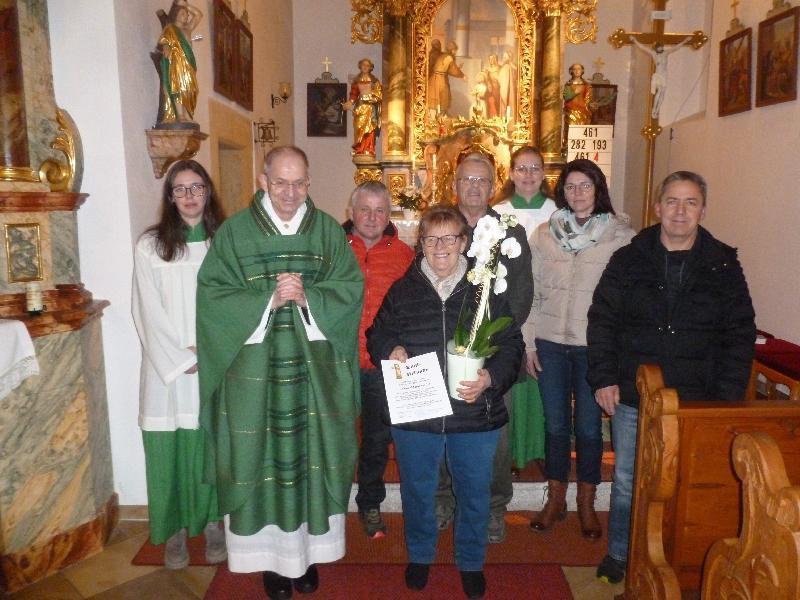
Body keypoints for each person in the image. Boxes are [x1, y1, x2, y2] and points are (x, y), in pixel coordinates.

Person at [196, 146, 364, 599]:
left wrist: (311, 298)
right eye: (281, 182)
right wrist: (264, 302)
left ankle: (308, 558)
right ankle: (271, 563)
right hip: (255, 377)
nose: (290, 192)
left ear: (309, 183)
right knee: (261, 461)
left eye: (299, 183)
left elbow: (350, 287)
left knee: (312, 460)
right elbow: (211, 295)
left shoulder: (327, 231)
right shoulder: (235, 234)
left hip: (314, 378)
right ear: (263, 180)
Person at [587, 171, 756, 584]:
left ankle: (680, 559)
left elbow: (740, 332)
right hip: (636, 393)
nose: (681, 211)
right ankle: (622, 555)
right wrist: (604, 377)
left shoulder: (723, 263)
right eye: (673, 201)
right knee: (629, 480)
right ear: (657, 207)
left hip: (699, 398)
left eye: (691, 202)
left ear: (702, 209)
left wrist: (728, 397)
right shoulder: (628, 259)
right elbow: (603, 320)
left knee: (688, 481)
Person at [367, 206, 524, 599]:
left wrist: (490, 377)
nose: (440, 247)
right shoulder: (404, 290)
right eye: (431, 239)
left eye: (449, 238)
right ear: (420, 244)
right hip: (417, 412)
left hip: (474, 413)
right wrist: (392, 347)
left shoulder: (484, 290)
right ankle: (420, 555)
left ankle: (470, 561)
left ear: (464, 243)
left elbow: (512, 345)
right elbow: (376, 333)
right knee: (418, 490)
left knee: (473, 492)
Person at [525, 159, 634, 540]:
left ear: (598, 188)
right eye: (570, 187)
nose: (577, 193)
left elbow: (625, 299)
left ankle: (587, 502)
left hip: (594, 348)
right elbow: (532, 291)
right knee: (555, 426)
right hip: (551, 343)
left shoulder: (620, 235)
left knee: (588, 429)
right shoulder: (543, 234)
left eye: (585, 186)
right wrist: (528, 342)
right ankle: (555, 499)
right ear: (562, 192)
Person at [131, 159, 225, 569]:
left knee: (208, 448)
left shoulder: (224, 242)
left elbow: (234, 305)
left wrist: (208, 351)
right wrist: (178, 358)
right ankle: (172, 533)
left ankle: (212, 524)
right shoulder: (150, 246)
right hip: (165, 372)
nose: (189, 196)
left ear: (208, 192)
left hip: (212, 363)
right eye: (181, 189)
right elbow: (144, 309)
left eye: (197, 187)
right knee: (167, 452)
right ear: (170, 197)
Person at [435, 153, 533, 545]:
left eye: (482, 181)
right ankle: (444, 499)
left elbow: (523, 294)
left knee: (495, 434)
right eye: (466, 180)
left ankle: (494, 506)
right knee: (444, 427)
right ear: (454, 185)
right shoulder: (441, 226)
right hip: (446, 351)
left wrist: (488, 344)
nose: (474, 187)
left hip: (495, 352)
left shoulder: (511, 232)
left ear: (492, 186)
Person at [345, 181, 415, 539]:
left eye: (380, 210)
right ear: (351, 212)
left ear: (390, 215)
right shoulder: (333, 250)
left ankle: (369, 503)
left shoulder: (405, 255)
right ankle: (329, 503)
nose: (371, 218)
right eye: (364, 209)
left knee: (375, 440)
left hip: (381, 366)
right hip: (338, 363)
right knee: (337, 439)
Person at [492, 146, 557, 472]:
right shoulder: (499, 211)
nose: (528, 175)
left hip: (547, 304)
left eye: (534, 168)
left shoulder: (557, 211)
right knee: (515, 375)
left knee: (544, 376)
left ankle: (541, 448)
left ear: (544, 173)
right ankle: (514, 452)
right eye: (521, 168)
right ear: (512, 173)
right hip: (512, 301)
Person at [155, 0, 202, 126]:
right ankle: (180, 115)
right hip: (176, 63)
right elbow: (165, 42)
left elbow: (199, 15)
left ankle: (187, 115)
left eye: (187, 14)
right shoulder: (170, 28)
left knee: (190, 89)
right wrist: (166, 47)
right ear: (175, 14)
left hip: (188, 64)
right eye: (183, 13)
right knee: (178, 87)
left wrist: (186, 6)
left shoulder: (188, 29)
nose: (186, 16)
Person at [631, 37, 691, 120]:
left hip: (664, 75)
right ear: (656, 48)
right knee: (659, 92)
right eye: (660, 47)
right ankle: (654, 109)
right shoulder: (653, 54)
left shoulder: (666, 53)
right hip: (658, 75)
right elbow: (643, 47)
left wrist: (685, 41)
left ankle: (657, 110)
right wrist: (635, 40)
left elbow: (676, 47)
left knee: (663, 94)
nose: (661, 48)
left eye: (662, 47)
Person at [343, 58, 382, 156]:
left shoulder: (374, 81)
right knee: (359, 127)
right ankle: (360, 149)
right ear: (360, 67)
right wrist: (350, 103)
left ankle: (369, 149)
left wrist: (373, 98)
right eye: (363, 65)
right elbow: (353, 95)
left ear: (370, 68)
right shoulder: (356, 81)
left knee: (370, 128)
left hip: (370, 108)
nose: (365, 67)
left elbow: (379, 94)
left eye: (367, 65)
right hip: (360, 108)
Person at [427, 40, 466, 116]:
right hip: (440, 79)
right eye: (455, 50)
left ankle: (438, 116)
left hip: (434, 78)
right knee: (444, 96)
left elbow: (447, 68)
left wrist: (458, 69)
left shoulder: (443, 55)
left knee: (437, 98)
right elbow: (453, 70)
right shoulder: (449, 57)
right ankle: (440, 117)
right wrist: (462, 76)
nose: (455, 52)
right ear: (452, 49)